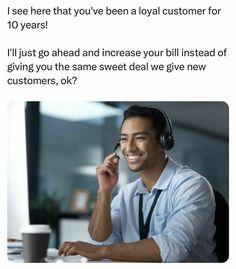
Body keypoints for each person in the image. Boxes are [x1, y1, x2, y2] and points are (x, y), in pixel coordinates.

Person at [58, 105, 217, 262]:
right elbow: (101, 237)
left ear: (163, 140)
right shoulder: (126, 193)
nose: (129, 148)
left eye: (140, 137)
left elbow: (173, 247)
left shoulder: (191, 185)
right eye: (124, 139)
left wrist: (102, 251)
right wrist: (104, 192)